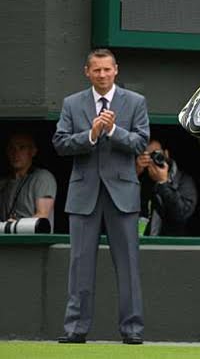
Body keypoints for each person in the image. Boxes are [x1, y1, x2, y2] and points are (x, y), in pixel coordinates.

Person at [53, 48, 149, 344]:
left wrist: (112, 131)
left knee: (129, 265)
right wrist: (92, 135)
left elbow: (141, 141)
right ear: (87, 72)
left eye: (107, 69)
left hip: (123, 194)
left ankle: (132, 331)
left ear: (116, 70)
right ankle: (75, 329)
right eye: (97, 70)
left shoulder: (135, 102)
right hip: (84, 195)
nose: (103, 74)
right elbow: (60, 143)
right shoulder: (72, 103)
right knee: (79, 265)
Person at [136, 139, 198, 236]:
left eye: (156, 154)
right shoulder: (142, 179)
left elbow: (181, 214)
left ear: (166, 154)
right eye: (148, 156)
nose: (153, 159)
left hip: (171, 245)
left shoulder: (183, 180)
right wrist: (134, 173)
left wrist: (163, 183)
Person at [0, 133, 57, 232]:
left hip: (34, 243)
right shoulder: (4, 183)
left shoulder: (43, 178)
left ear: (33, 151)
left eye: (22, 148)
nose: (15, 153)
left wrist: (15, 225)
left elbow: (42, 216)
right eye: (11, 148)